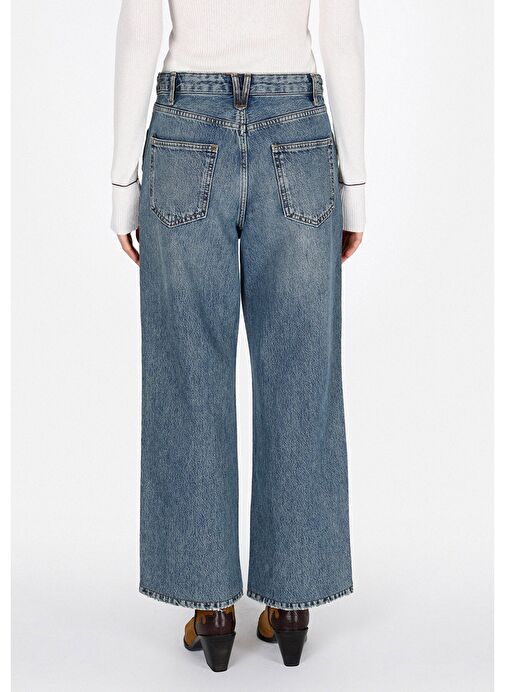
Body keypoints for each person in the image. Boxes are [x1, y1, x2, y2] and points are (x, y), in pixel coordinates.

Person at [111, 0, 365, 672]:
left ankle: (211, 608)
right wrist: (355, 188)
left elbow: (140, 30)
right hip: (298, 129)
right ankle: (293, 603)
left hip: (184, 128)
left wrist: (121, 186)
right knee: (301, 374)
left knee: (187, 375)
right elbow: (340, 31)